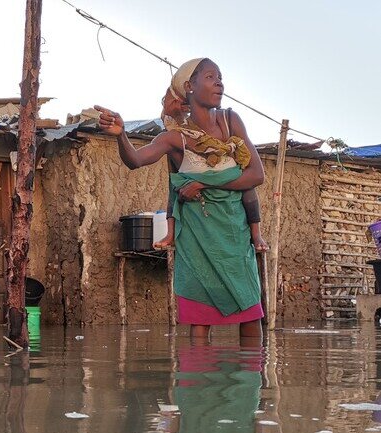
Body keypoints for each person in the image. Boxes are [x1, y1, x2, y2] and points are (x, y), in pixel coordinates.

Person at [95, 57, 265, 340]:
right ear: (190, 86)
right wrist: (121, 135)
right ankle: (196, 381)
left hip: (234, 234)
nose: (219, 82)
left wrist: (202, 183)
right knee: (199, 317)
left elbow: (256, 175)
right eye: (211, 77)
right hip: (196, 237)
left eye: (220, 76)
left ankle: (250, 380)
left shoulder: (230, 121)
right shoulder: (174, 138)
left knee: (249, 311)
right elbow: (136, 160)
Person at [155, 87, 268, 253]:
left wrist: (203, 183)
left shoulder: (221, 121)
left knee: (244, 181)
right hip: (193, 167)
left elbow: (256, 176)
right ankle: (170, 233)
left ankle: (256, 234)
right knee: (175, 184)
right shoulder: (176, 132)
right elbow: (173, 188)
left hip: (224, 166)